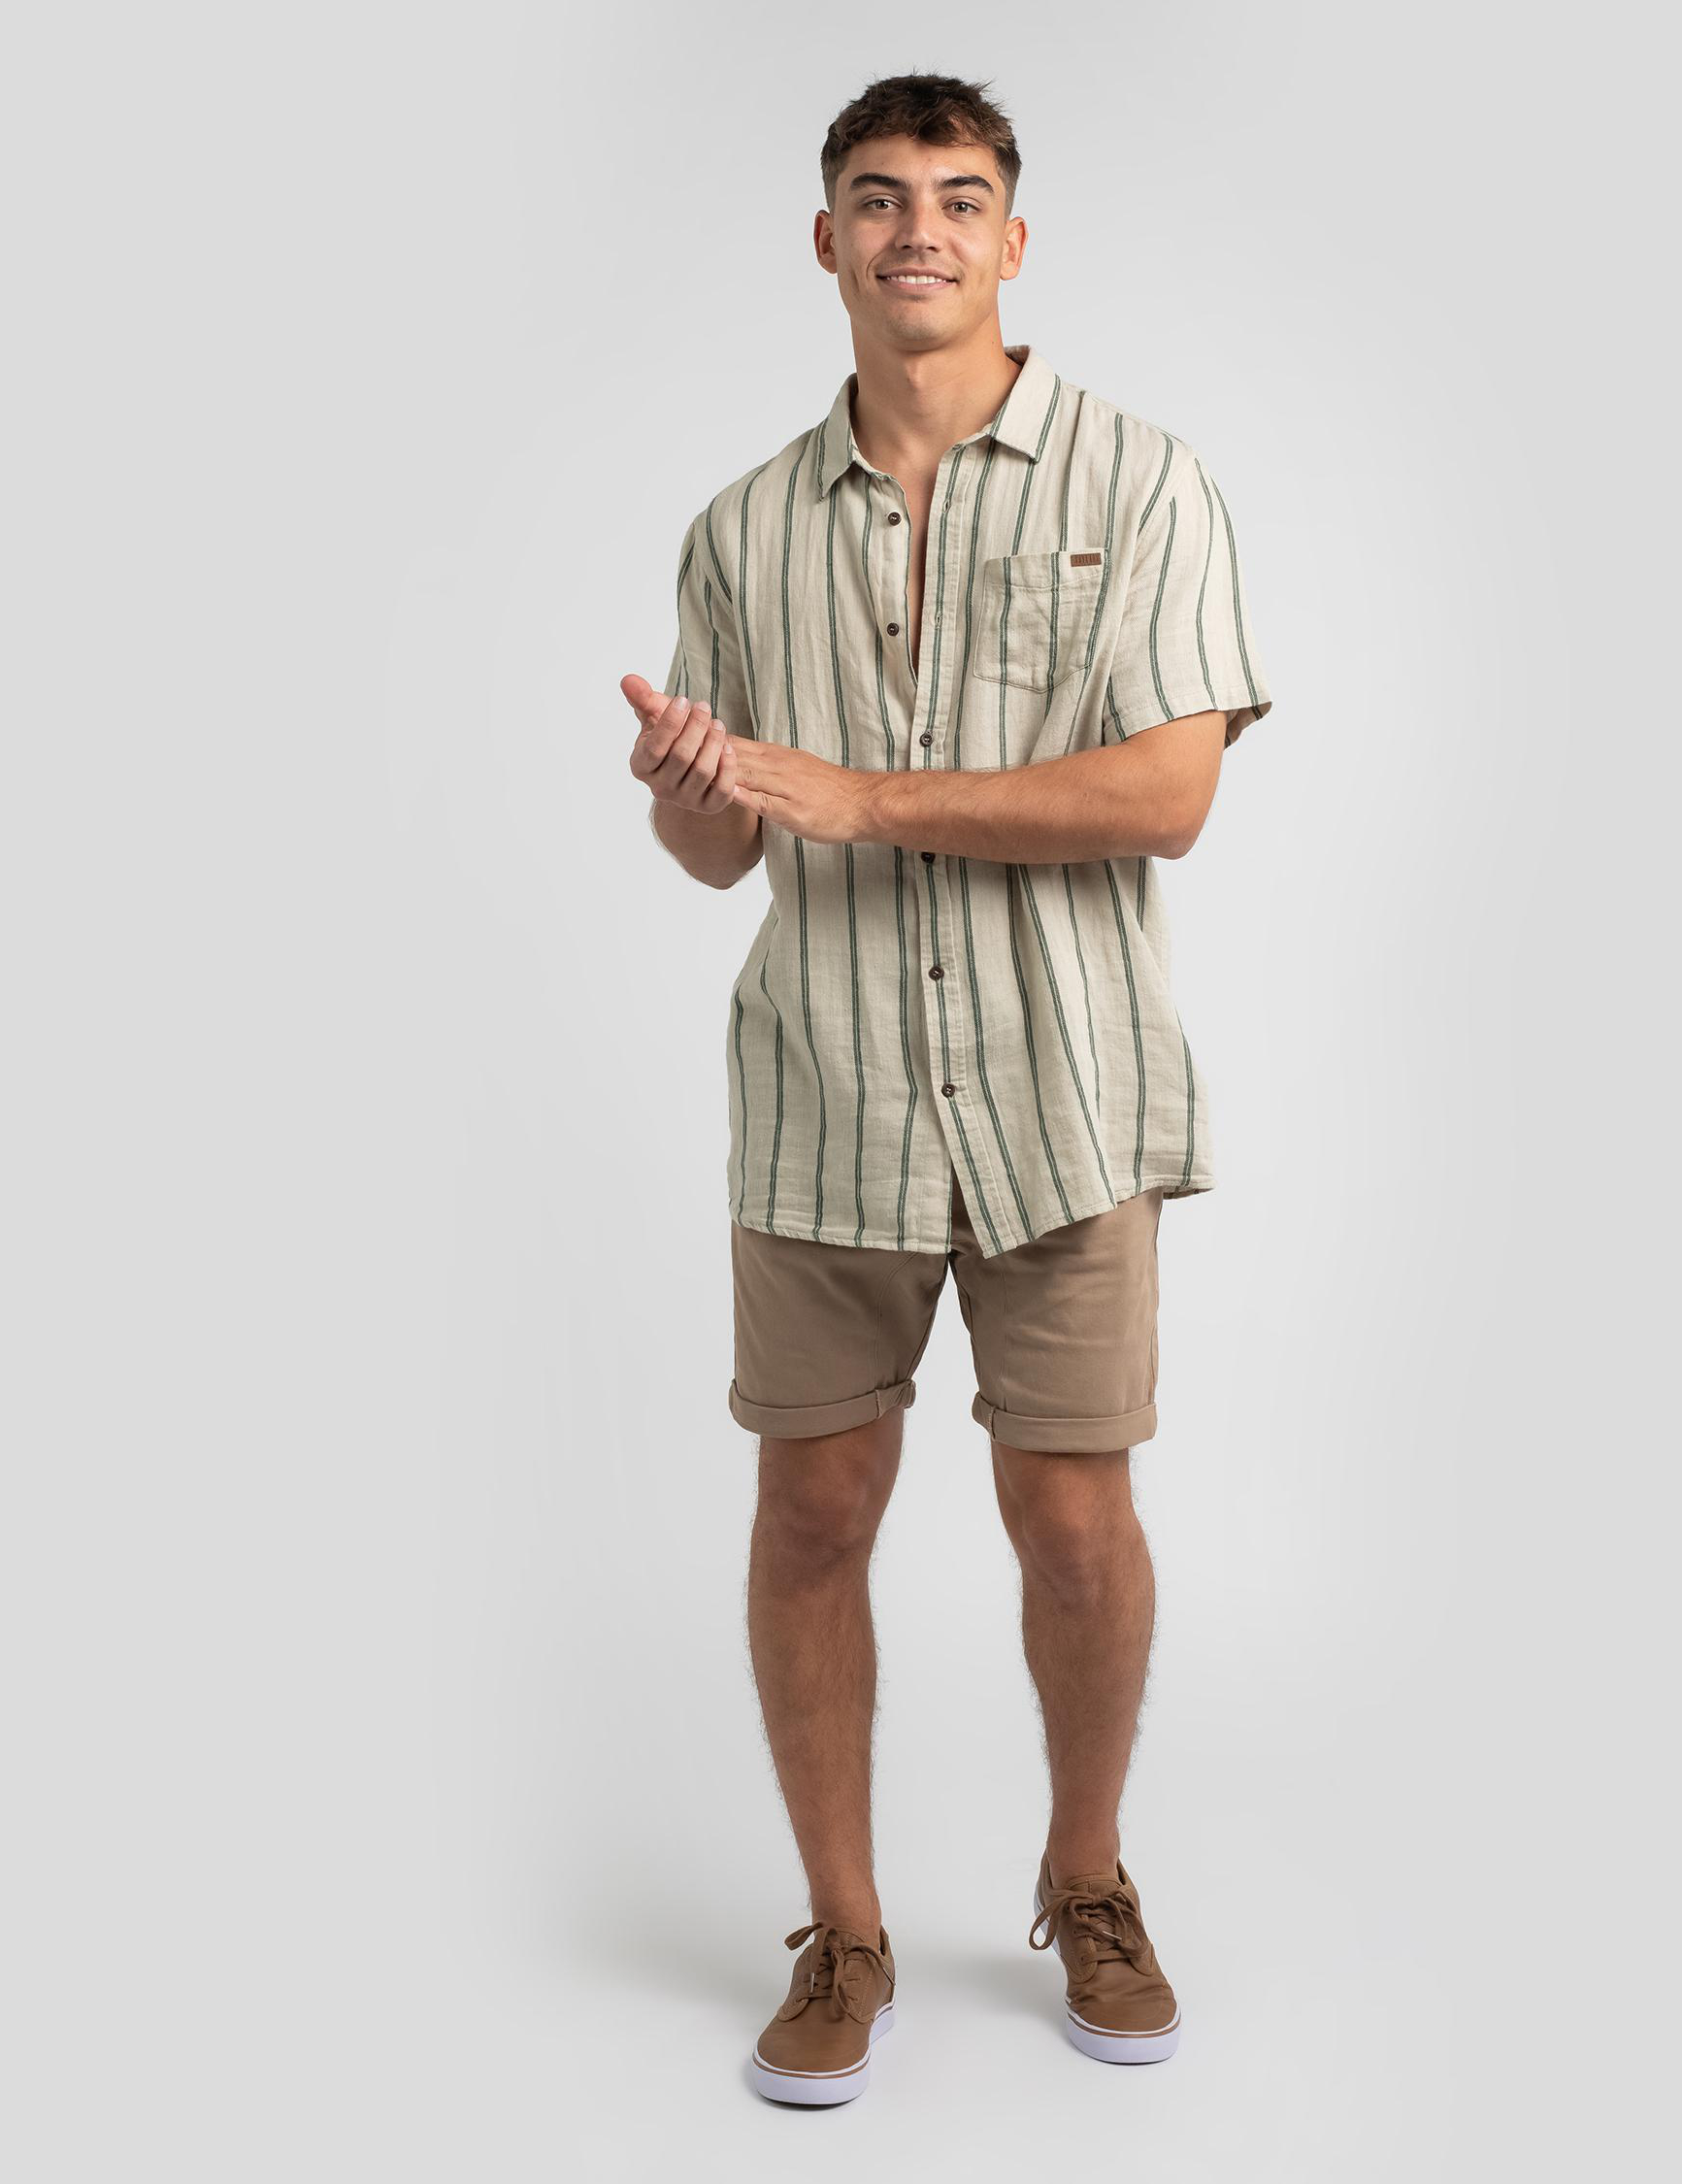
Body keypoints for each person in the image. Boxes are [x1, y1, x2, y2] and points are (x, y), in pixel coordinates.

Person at [622, 71, 1273, 2106]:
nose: (920, 226)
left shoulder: (1143, 480)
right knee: (813, 1507)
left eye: (960, 195)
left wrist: (870, 796)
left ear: (1013, 240)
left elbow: (1168, 793)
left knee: (1073, 1519)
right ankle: (846, 1929)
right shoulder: (739, 529)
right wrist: (695, 794)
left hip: (1065, 1095)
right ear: (826, 239)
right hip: (822, 1095)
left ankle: (1089, 1880)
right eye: (881, 195)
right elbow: (722, 852)